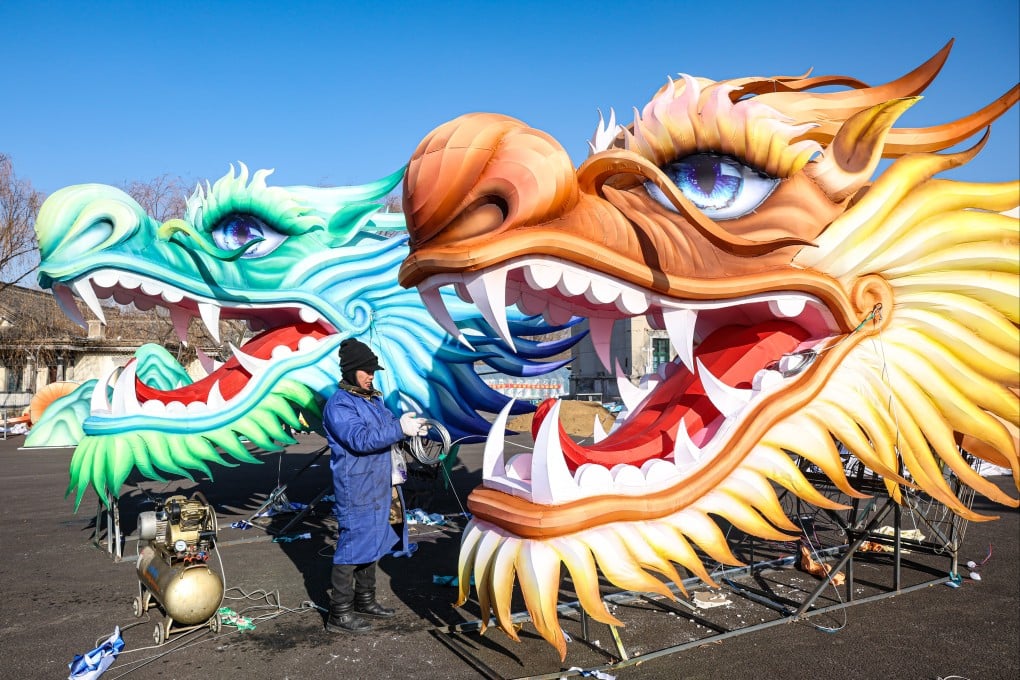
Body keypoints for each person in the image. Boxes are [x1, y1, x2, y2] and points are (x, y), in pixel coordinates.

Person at [322, 337, 427, 634]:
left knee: (376, 538)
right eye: (366, 370)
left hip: (382, 481)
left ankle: (365, 600)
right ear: (351, 371)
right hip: (358, 486)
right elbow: (361, 440)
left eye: (373, 370)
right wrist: (397, 429)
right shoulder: (340, 405)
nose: (371, 375)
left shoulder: (372, 399)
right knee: (352, 545)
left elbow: (387, 429)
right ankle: (339, 614)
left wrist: (407, 428)